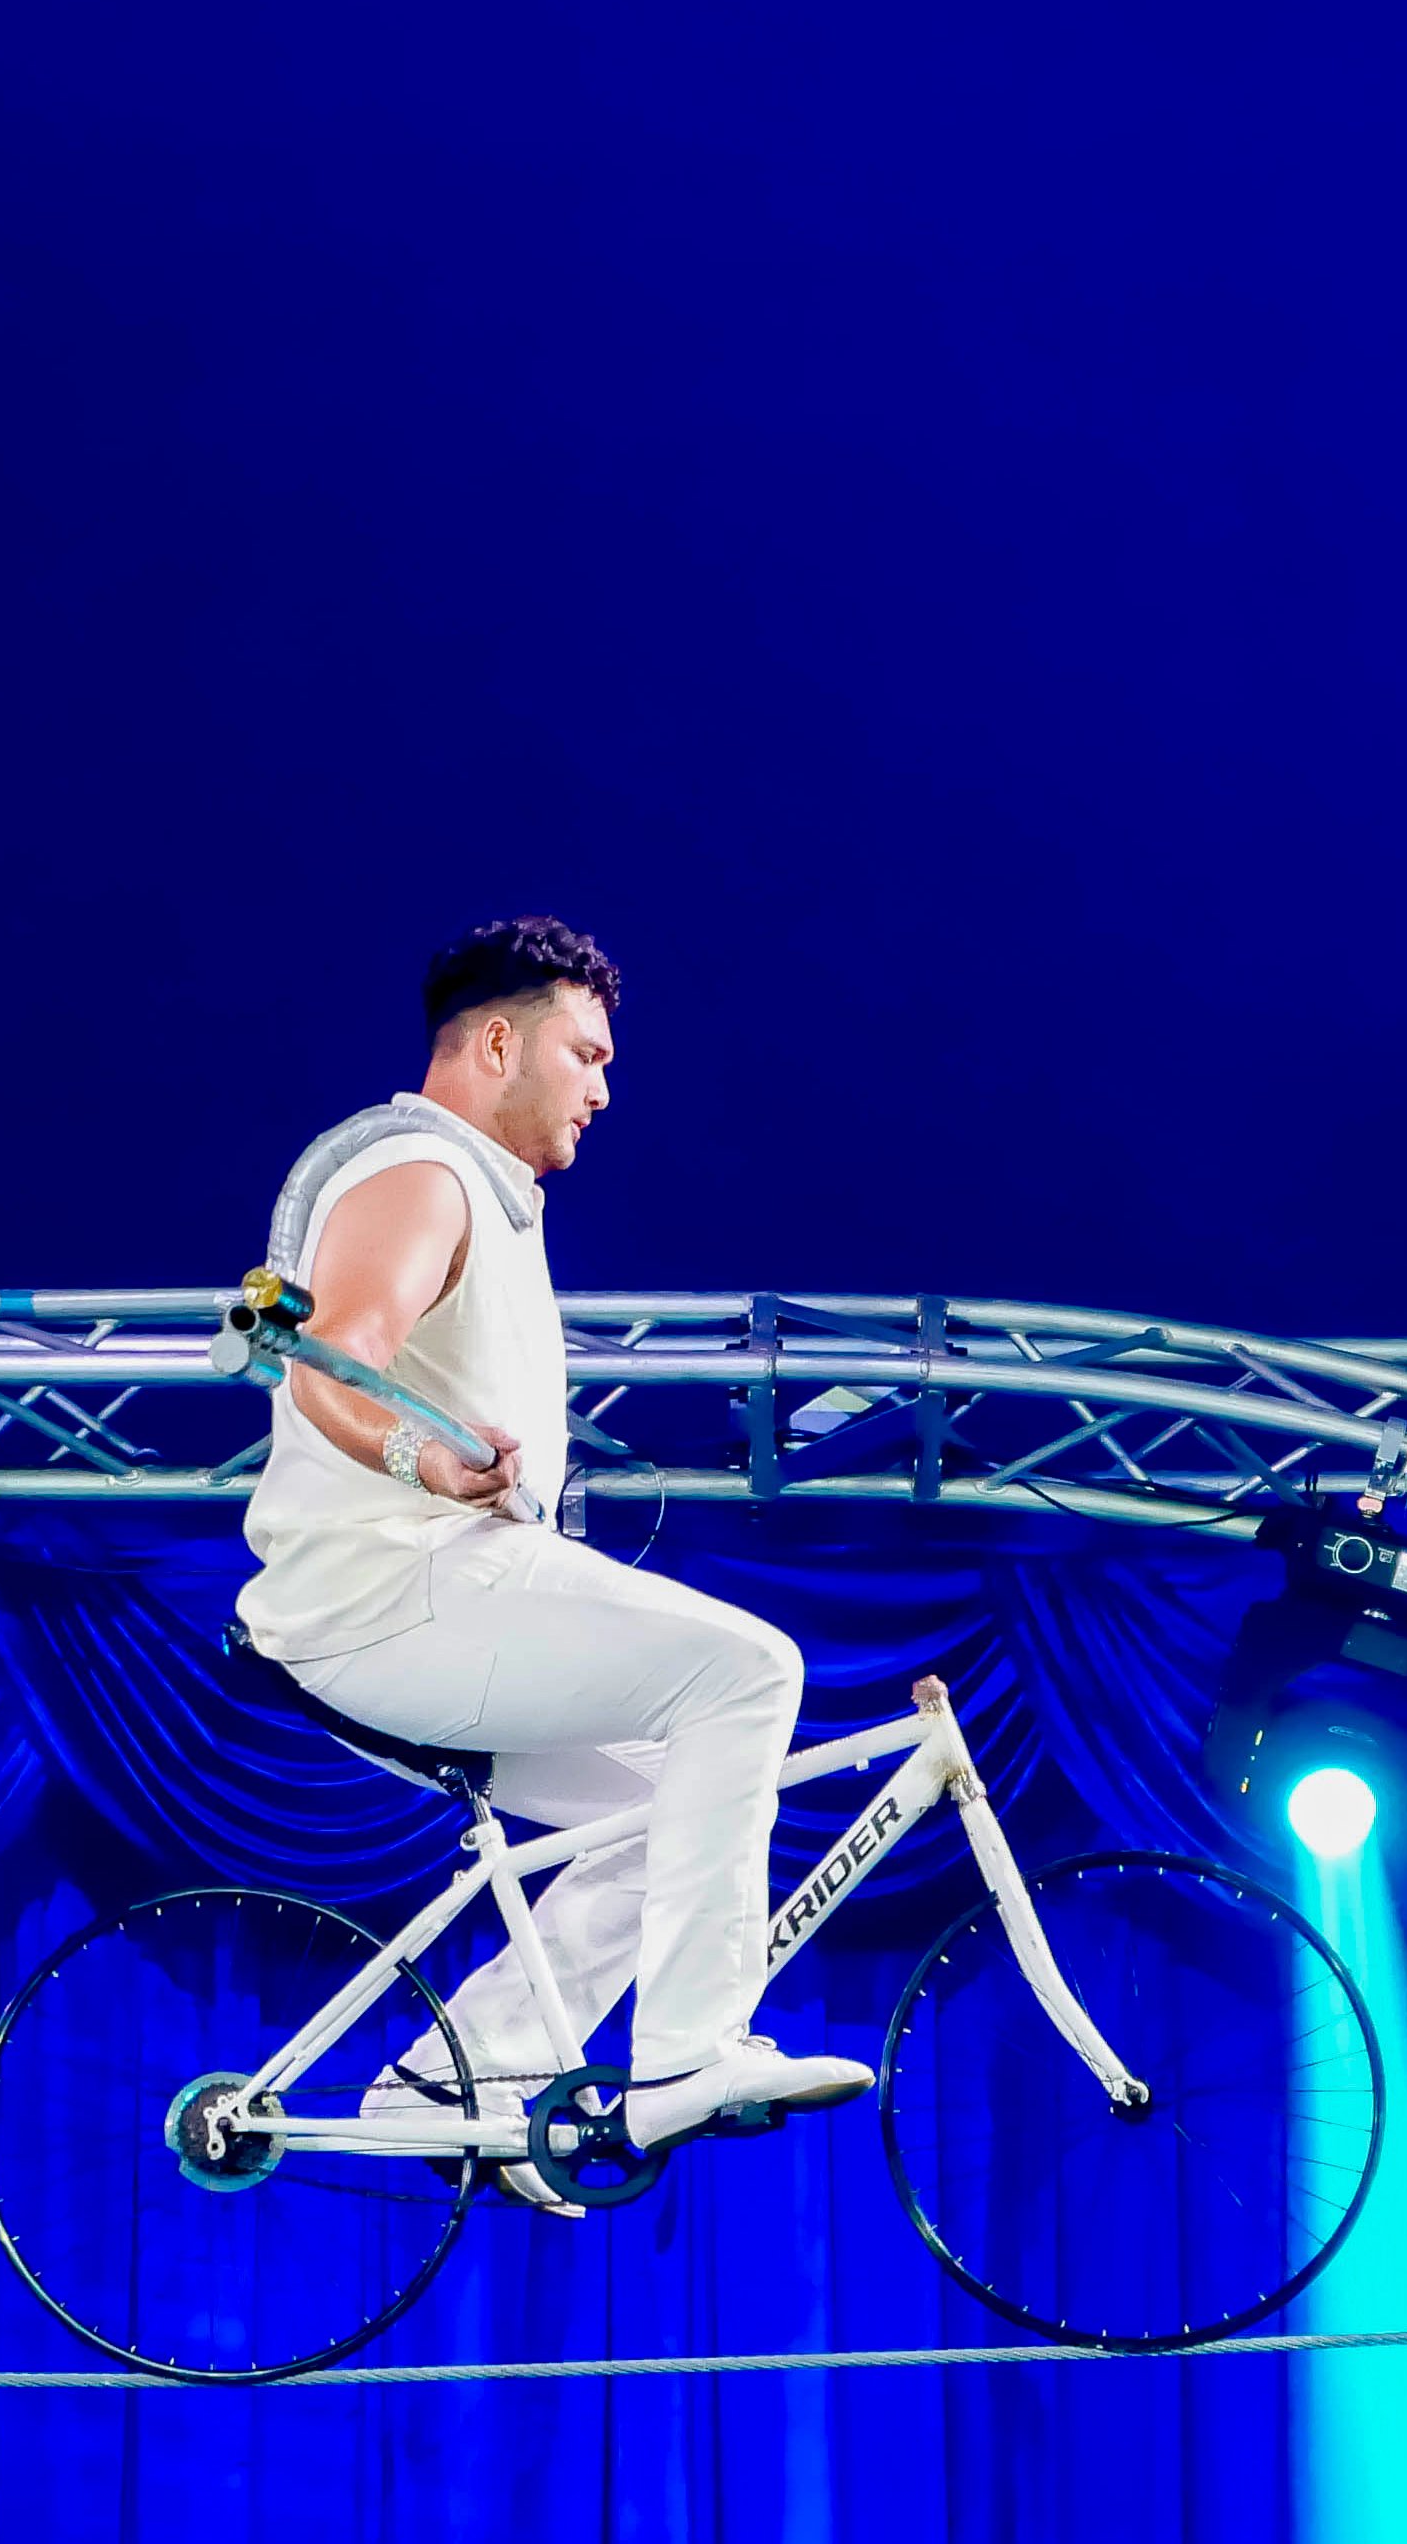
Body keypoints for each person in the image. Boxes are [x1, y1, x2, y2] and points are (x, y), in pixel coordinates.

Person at [238, 916, 872, 2187]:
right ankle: (690, 2056)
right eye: (584, 1053)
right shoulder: (423, 1170)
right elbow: (328, 1356)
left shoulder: (486, 1199)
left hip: (436, 1593)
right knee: (749, 1674)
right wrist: (422, 1460)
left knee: (683, 1808)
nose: (604, 1085)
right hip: (395, 1591)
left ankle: (456, 2076)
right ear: (493, 1042)